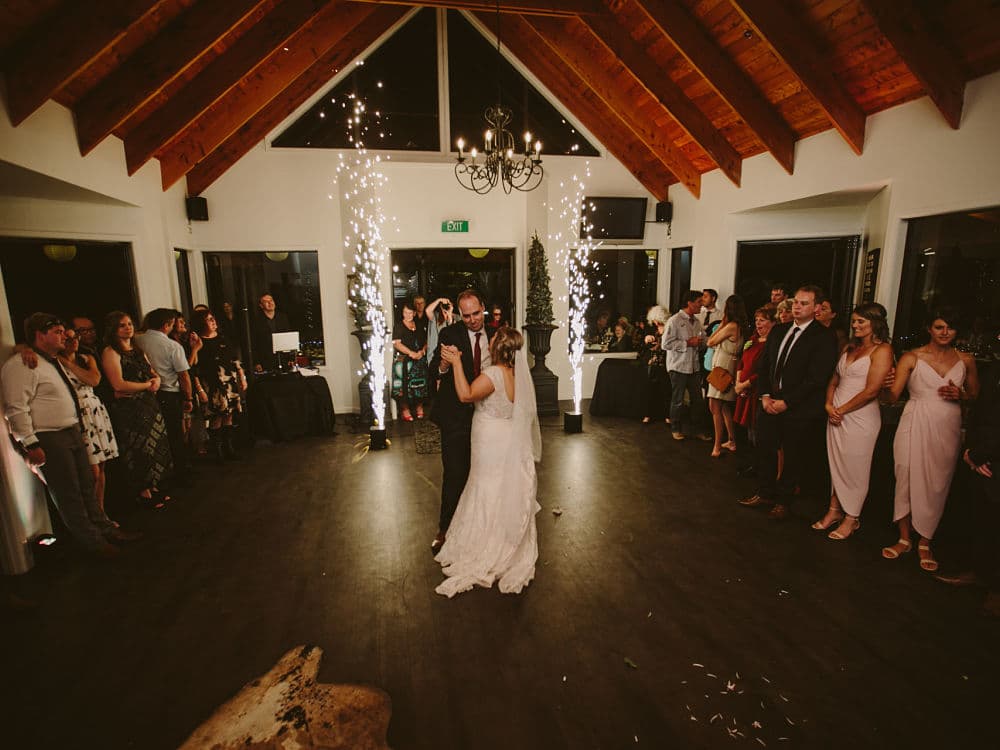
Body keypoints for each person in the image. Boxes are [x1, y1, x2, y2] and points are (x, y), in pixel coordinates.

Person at [2, 314, 138, 557]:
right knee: (69, 493)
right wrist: (30, 443)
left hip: (71, 430)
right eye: (57, 332)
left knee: (87, 487)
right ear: (39, 335)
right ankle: (93, 543)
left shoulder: (52, 361)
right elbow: (16, 407)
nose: (64, 336)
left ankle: (105, 529)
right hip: (49, 436)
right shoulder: (23, 364)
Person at [434, 326, 540, 597]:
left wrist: (456, 363)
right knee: (499, 487)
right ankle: (504, 539)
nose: (489, 341)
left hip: (489, 440)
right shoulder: (518, 375)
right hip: (506, 439)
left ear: (498, 348)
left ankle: (484, 544)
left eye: (493, 340)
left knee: (484, 486)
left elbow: (465, 395)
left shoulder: (493, 374)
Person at [881, 309, 979, 571]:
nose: (945, 332)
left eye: (950, 328)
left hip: (947, 424)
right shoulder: (912, 357)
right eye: (939, 327)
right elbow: (892, 397)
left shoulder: (966, 359)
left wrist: (961, 395)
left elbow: (975, 396)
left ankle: (925, 540)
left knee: (937, 481)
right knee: (905, 472)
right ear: (929, 329)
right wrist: (885, 384)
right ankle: (904, 538)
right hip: (914, 419)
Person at [738, 285, 838, 520]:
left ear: (816, 308)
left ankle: (783, 501)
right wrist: (764, 395)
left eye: (804, 303)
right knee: (765, 448)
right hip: (769, 402)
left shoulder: (824, 337)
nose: (797, 307)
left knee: (793, 455)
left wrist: (787, 402)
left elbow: (817, 378)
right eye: (796, 302)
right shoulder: (779, 330)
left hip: (799, 408)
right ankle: (765, 492)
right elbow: (764, 367)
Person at [812, 303, 894, 540]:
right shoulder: (849, 347)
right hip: (835, 413)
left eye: (861, 322)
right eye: (854, 321)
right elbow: (834, 380)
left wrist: (842, 410)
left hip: (860, 417)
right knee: (837, 464)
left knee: (856, 467)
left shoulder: (883, 350)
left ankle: (852, 517)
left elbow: (872, 390)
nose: (855, 325)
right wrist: (829, 405)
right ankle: (834, 510)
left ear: (875, 324)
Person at [429, 289, 500, 553]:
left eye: (476, 313)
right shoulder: (450, 334)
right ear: (460, 314)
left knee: (486, 473)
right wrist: (444, 365)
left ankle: (483, 528)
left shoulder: (496, 334)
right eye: (466, 315)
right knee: (455, 473)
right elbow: (433, 370)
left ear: (483, 307)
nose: (472, 320)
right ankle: (445, 529)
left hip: (488, 416)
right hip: (456, 415)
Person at [933, 363, 1000, 617]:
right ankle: (981, 573)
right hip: (982, 457)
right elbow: (984, 413)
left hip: (992, 457)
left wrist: (982, 454)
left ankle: (997, 590)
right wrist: (972, 453)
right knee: (983, 522)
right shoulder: (994, 370)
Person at [101, 311, 173, 508]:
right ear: (113, 329)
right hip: (129, 407)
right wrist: (147, 385)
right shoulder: (111, 352)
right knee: (138, 448)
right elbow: (118, 384)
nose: (128, 328)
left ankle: (154, 485)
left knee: (154, 445)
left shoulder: (137, 349)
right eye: (122, 325)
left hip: (148, 404)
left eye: (130, 324)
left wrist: (156, 380)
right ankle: (143, 492)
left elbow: (152, 371)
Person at [137, 308, 195, 480]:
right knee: (175, 434)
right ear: (167, 325)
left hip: (146, 392)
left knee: (155, 434)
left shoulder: (138, 340)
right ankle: (181, 472)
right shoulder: (172, 346)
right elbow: (183, 375)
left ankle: (159, 473)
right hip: (169, 392)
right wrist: (188, 397)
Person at [191, 309, 246, 462]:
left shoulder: (223, 338)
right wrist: (199, 389)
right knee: (216, 417)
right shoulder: (199, 342)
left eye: (213, 318)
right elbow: (194, 369)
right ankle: (218, 451)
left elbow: (235, 360)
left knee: (229, 415)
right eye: (209, 319)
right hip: (212, 385)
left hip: (228, 383)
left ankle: (229, 448)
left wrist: (242, 377)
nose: (213, 322)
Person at [733, 305, 777, 475]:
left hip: (756, 391)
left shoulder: (772, 344)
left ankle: (759, 466)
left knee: (756, 430)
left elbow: (763, 372)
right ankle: (750, 463)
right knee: (746, 431)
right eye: (757, 320)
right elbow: (742, 362)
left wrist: (745, 384)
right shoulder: (752, 340)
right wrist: (738, 382)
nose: (758, 324)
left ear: (773, 323)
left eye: (763, 320)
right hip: (743, 390)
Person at [663, 290, 711, 441]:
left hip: (694, 367)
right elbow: (666, 344)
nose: (702, 305)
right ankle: (675, 428)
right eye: (699, 302)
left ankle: (697, 429)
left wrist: (708, 341)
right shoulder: (674, 320)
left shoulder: (697, 322)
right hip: (678, 366)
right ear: (689, 303)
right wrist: (687, 343)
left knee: (697, 400)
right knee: (677, 400)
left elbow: (703, 340)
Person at [706, 295, 747, 457]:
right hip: (728, 367)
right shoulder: (740, 326)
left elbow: (710, 341)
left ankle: (717, 445)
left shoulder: (731, 326)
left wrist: (722, 323)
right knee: (724, 407)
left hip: (722, 370)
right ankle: (731, 440)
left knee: (715, 406)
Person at [391, 300, 428, 421]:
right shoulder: (399, 326)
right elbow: (396, 343)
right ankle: (405, 410)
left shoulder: (419, 325)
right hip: (404, 361)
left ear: (414, 313)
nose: (408, 315)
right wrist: (410, 353)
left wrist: (422, 352)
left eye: (410, 312)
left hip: (419, 359)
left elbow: (426, 340)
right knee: (403, 387)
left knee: (420, 385)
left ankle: (419, 407)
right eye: (405, 312)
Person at [640, 306, 670, 424]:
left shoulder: (669, 327)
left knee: (666, 389)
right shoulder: (653, 329)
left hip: (666, 361)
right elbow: (646, 343)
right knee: (651, 389)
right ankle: (648, 414)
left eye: (656, 319)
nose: (655, 322)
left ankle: (667, 416)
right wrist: (647, 339)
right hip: (654, 362)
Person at [250, 293, 291, 372]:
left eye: (271, 300)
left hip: (283, 360)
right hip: (265, 361)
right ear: (261, 306)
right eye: (266, 301)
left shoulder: (283, 317)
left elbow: (288, 337)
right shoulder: (256, 321)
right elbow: (254, 343)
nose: (270, 303)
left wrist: (290, 358)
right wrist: (256, 362)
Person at [424, 297, 454, 369]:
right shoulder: (435, 317)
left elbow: (454, 333)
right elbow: (428, 310)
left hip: (450, 355)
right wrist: (439, 300)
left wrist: (450, 316)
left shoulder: (457, 317)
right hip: (434, 355)